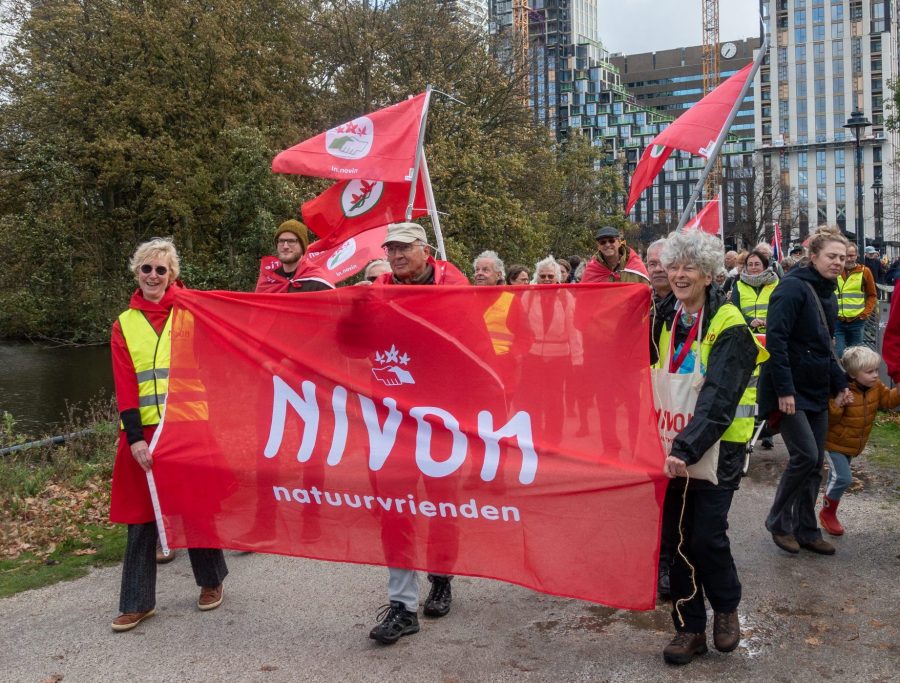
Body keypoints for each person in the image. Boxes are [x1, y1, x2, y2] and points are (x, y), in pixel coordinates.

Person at [652, 230, 765, 665]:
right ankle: (689, 628)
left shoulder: (729, 324)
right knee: (677, 538)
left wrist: (687, 447)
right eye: (674, 266)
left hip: (719, 447)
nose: (679, 275)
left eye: (690, 267)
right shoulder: (665, 316)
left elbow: (720, 397)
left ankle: (726, 605)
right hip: (671, 447)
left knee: (706, 536)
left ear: (709, 274)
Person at [109, 238, 228, 632]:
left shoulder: (193, 313)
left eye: (161, 269)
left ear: (172, 274)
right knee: (141, 517)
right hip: (144, 432)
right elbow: (125, 386)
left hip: (189, 426)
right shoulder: (124, 324)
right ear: (136, 272)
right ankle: (137, 602)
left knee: (195, 508)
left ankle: (211, 581)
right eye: (147, 268)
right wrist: (135, 439)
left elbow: (219, 360)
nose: (153, 275)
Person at [367, 222, 469, 645]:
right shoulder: (377, 292)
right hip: (392, 421)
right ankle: (402, 605)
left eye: (404, 248)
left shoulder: (456, 289)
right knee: (394, 508)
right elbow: (348, 344)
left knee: (442, 503)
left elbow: (474, 350)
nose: (395, 256)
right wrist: (356, 311)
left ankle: (441, 578)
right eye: (390, 249)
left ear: (426, 250)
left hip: (442, 420)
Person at [760, 227, 853, 557]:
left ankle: (806, 529)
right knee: (806, 457)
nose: (838, 262)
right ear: (813, 257)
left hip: (815, 389)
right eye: (831, 256)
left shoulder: (828, 291)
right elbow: (776, 342)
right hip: (789, 390)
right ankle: (778, 521)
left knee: (815, 465)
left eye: (842, 257)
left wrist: (840, 384)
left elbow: (825, 345)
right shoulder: (791, 288)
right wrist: (785, 390)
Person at [821, 346, 900, 535]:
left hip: (852, 444)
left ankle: (828, 508)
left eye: (876, 370)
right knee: (843, 478)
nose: (875, 375)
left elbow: (887, 401)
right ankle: (827, 513)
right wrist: (839, 402)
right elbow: (829, 421)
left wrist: (898, 392)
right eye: (870, 371)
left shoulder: (876, 387)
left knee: (836, 477)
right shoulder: (842, 389)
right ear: (853, 374)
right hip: (833, 443)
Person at [731, 249, 780, 449]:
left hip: (772, 339)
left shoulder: (776, 283)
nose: (753, 268)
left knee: (769, 384)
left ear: (765, 265)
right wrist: (750, 320)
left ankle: (768, 430)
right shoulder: (739, 285)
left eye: (757, 264)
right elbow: (734, 310)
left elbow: (782, 307)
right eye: (750, 264)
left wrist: (771, 321)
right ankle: (750, 427)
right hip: (748, 339)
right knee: (751, 387)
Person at [255, 219, 334, 293]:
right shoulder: (268, 280)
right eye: (281, 241)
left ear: (302, 246)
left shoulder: (318, 283)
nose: (285, 246)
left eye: (291, 241)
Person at [834, 242, 877, 357]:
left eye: (851, 255)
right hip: (838, 320)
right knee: (838, 354)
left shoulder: (865, 271)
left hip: (857, 320)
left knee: (855, 357)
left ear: (857, 255)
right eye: (846, 255)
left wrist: (865, 314)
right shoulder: (835, 271)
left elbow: (872, 295)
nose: (848, 259)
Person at [581, 226, 649, 284]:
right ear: (598, 246)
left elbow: (645, 290)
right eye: (603, 242)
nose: (607, 245)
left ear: (619, 242)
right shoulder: (592, 269)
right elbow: (584, 292)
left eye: (611, 241)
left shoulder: (635, 265)